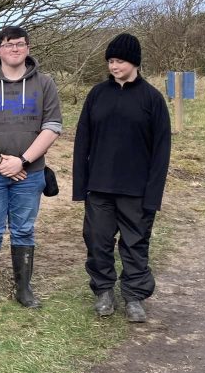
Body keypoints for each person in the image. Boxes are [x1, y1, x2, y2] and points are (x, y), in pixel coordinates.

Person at [72, 33, 171, 323]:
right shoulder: (97, 95)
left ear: (134, 62)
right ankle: (103, 291)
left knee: (135, 243)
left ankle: (134, 296)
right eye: (111, 61)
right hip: (99, 186)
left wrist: (153, 195)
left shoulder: (152, 99)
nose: (114, 66)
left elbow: (161, 150)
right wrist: (81, 187)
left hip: (137, 189)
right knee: (97, 240)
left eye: (120, 61)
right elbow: (82, 142)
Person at [0, 26, 62, 313]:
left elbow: (52, 126)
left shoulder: (44, 84)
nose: (15, 49)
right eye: (9, 45)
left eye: (20, 44)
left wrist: (23, 161)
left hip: (30, 174)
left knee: (23, 230)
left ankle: (23, 288)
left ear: (28, 48)